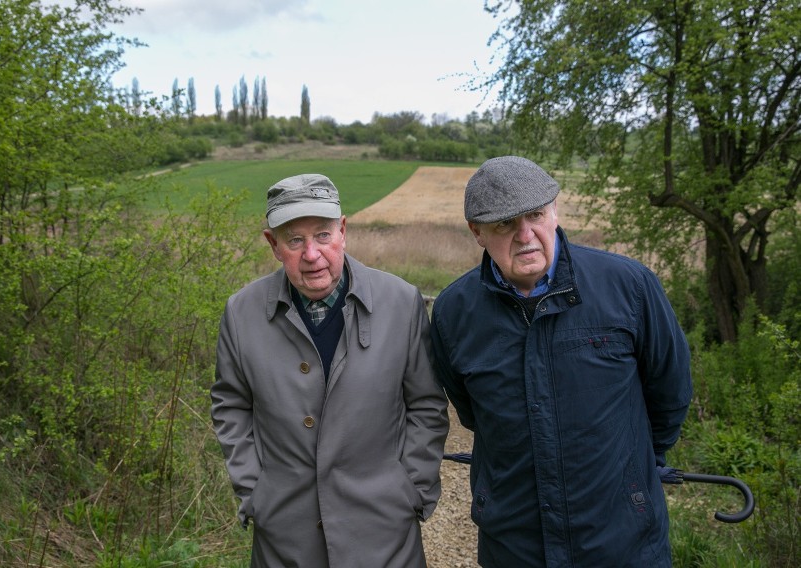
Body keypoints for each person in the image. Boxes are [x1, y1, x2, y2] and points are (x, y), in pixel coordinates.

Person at [430, 156, 692, 567]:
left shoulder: (629, 286)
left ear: (555, 211)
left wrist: (631, 479)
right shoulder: (452, 312)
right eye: (504, 224)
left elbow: (670, 394)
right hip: (514, 544)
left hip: (623, 541)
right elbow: (472, 412)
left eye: (535, 214)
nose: (525, 235)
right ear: (476, 232)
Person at [211, 173, 449, 567]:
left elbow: (426, 405)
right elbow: (230, 406)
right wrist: (256, 492)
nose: (312, 254)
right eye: (295, 240)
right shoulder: (241, 312)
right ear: (273, 245)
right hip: (283, 539)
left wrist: (413, 489)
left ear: (343, 231)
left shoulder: (401, 302)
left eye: (323, 235)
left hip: (385, 535)